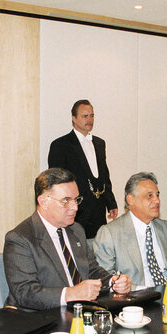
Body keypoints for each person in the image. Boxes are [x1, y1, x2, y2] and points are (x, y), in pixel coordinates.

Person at [3, 168, 130, 310]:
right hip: (40, 319)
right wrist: (70, 294)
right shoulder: (20, 239)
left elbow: (92, 270)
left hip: (81, 312)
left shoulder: (76, 230)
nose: (75, 207)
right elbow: (24, 292)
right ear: (43, 201)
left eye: (76, 200)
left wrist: (113, 281)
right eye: (66, 201)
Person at [93, 172, 167, 287]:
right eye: (150, 195)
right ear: (131, 199)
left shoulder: (164, 227)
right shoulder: (110, 233)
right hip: (135, 298)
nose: (157, 201)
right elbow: (104, 279)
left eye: (157, 195)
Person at [48, 99, 118, 238]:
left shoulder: (99, 143)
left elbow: (104, 175)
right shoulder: (60, 145)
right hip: (76, 210)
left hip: (98, 208)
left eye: (92, 116)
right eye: (85, 116)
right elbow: (56, 182)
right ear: (74, 118)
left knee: (97, 248)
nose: (89, 120)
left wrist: (111, 203)